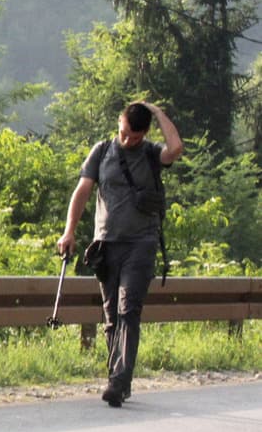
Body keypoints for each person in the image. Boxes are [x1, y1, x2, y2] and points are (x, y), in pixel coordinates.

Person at [59, 101, 183, 407]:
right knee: (112, 315)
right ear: (119, 123)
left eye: (135, 136)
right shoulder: (102, 152)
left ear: (145, 133)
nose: (128, 141)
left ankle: (118, 380)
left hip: (141, 244)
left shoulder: (152, 154)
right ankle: (118, 374)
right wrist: (69, 231)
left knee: (129, 310)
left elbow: (176, 148)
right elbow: (83, 191)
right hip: (107, 244)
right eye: (125, 133)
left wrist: (158, 112)